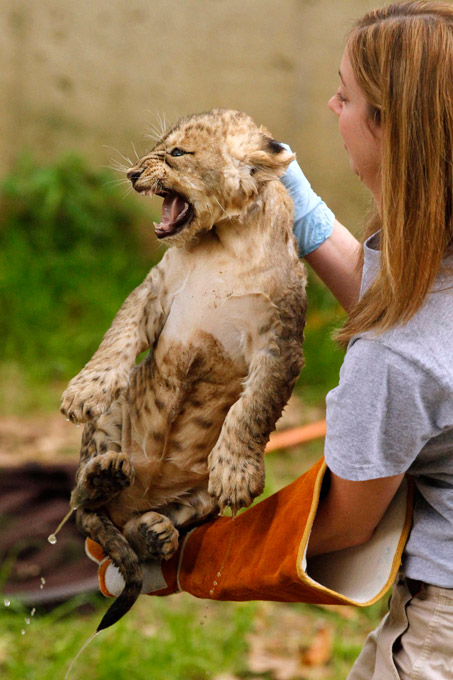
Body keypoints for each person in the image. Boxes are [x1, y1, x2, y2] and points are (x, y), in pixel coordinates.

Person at [88, 2, 453, 677]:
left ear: (392, 132)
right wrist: (302, 214)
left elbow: (342, 526)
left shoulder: (393, 362)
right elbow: (415, 318)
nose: (328, 104)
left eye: (345, 96)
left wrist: (185, 559)